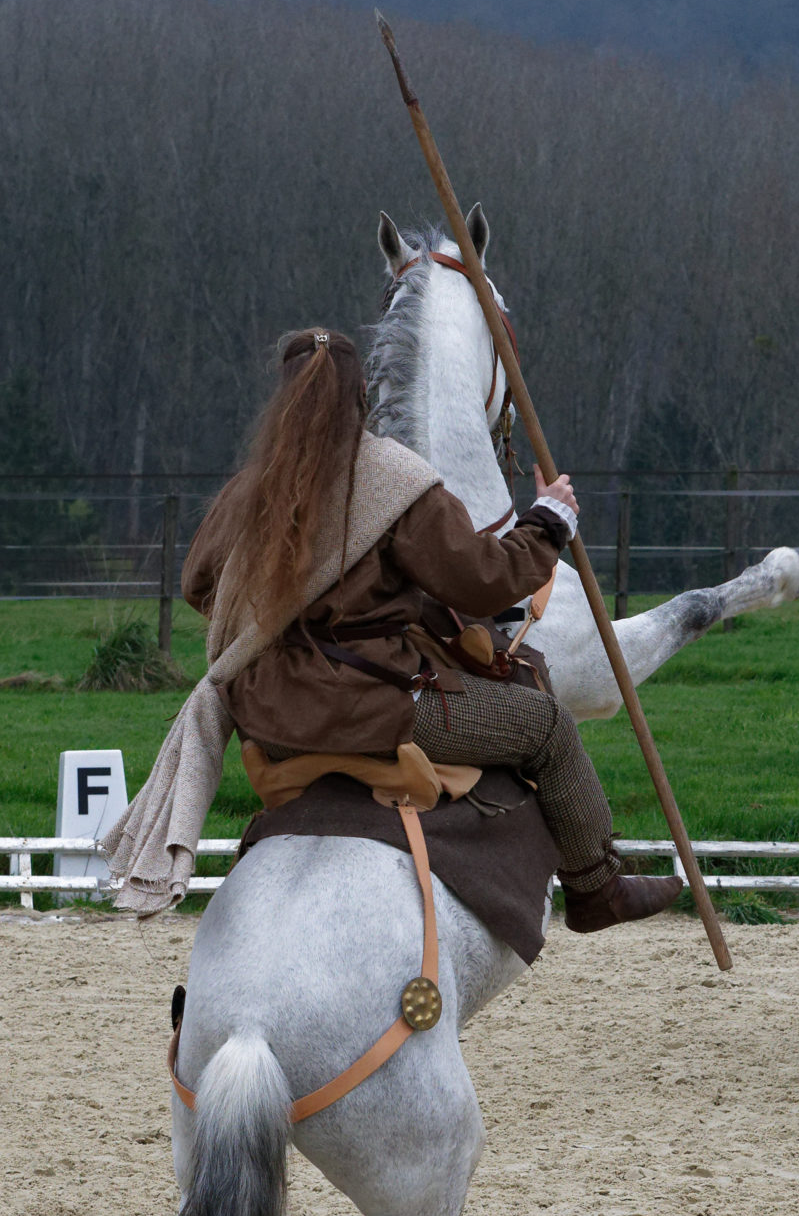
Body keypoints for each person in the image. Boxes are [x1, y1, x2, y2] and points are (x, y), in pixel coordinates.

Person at [181, 327, 683, 931]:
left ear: (283, 399)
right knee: (547, 726)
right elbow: (481, 581)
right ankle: (597, 888)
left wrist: (281, 623)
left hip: (270, 717)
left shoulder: (248, 489)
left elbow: (198, 585)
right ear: (362, 395)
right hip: (367, 711)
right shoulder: (392, 480)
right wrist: (547, 524)